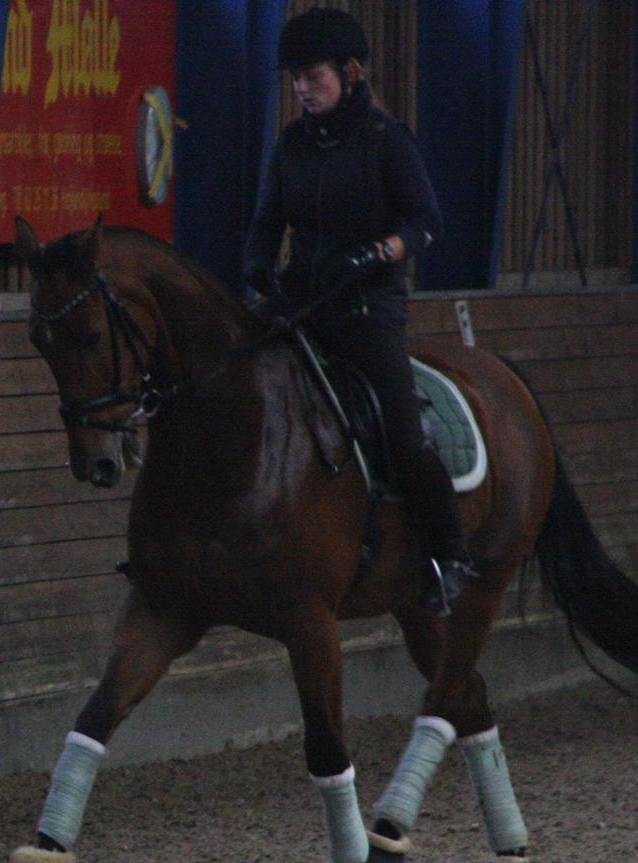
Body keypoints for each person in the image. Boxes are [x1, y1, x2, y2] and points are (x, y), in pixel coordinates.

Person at [243, 7, 477, 614]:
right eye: (294, 79)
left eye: (312, 76)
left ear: (348, 73)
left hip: (368, 308)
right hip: (303, 303)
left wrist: (378, 253)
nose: (301, 89)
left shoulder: (385, 141)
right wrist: (256, 271)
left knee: (402, 431)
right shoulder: (290, 144)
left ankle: (450, 554)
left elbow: (427, 220)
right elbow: (268, 221)